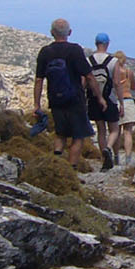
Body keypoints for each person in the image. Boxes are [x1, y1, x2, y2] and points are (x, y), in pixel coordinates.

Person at [33, 18, 105, 170]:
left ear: (52, 32)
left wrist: (37, 105)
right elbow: (89, 76)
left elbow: (39, 80)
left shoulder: (45, 52)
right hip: (75, 99)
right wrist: (99, 97)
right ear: (70, 32)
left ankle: (56, 164)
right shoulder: (75, 50)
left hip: (55, 99)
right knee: (78, 137)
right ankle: (71, 170)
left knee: (60, 134)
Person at [86, 33, 121, 170]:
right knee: (114, 129)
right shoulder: (113, 62)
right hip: (110, 99)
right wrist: (121, 102)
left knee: (101, 129)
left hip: (94, 99)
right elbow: (117, 83)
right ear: (107, 44)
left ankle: (104, 160)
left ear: (96, 43)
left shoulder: (89, 61)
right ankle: (108, 148)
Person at [110, 50, 135, 168]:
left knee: (115, 131)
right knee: (128, 132)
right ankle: (128, 158)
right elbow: (134, 87)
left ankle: (116, 156)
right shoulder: (129, 72)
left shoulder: (112, 73)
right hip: (128, 100)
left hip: (115, 101)